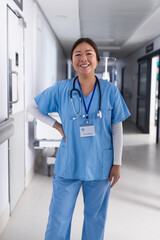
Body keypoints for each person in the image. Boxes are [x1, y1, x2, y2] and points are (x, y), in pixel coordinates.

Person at [28, 38, 130, 240]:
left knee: (95, 218)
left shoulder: (109, 91)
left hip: (99, 166)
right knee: (59, 218)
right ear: (73, 60)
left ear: (97, 60)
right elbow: (33, 107)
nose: (83, 58)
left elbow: (117, 127)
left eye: (88, 53)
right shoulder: (62, 89)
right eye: (78, 54)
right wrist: (56, 126)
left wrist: (117, 163)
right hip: (68, 164)